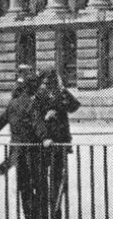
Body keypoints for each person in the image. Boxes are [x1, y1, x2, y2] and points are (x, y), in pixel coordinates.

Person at [0, 69, 48, 218]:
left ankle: (28, 215)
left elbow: (0, 121)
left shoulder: (13, 103)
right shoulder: (31, 102)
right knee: (39, 185)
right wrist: (45, 137)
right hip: (33, 150)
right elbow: (36, 122)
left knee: (24, 186)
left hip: (18, 150)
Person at [37, 69, 80, 218]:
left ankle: (51, 210)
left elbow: (74, 105)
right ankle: (54, 210)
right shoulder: (50, 94)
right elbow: (74, 105)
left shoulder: (45, 94)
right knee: (56, 178)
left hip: (50, 142)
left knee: (50, 179)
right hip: (55, 142)